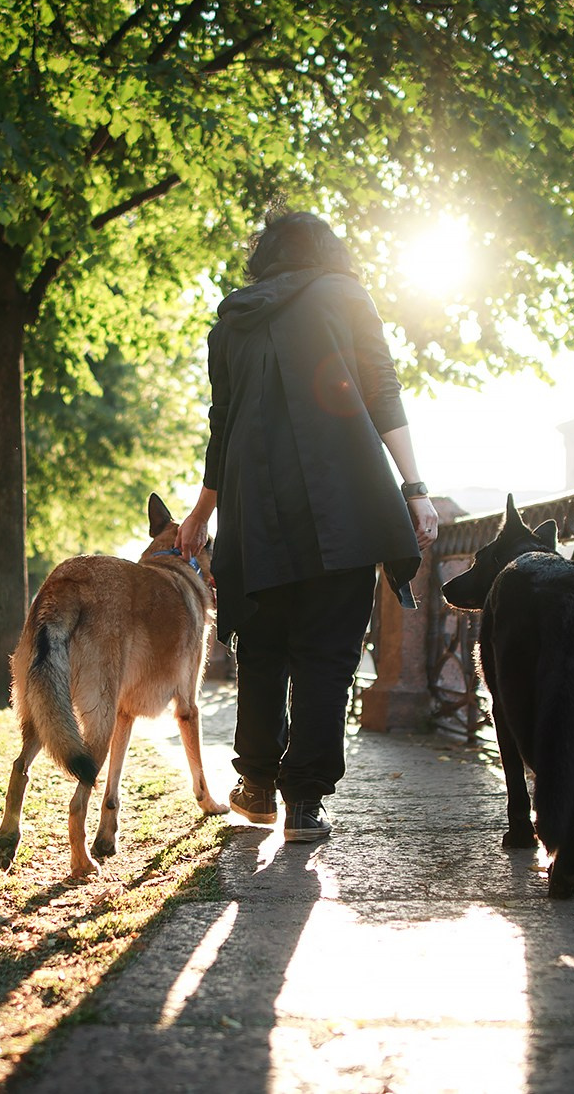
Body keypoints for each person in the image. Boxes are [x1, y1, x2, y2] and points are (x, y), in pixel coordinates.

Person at [177, 211, 439, 842]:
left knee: (262, 649)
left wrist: (203, 511)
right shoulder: (345, 295)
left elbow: (224, 423)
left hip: (254, 508)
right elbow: (382, 390)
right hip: (341, 499)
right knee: (327, 655)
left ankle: (259, 786)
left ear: (264, 257)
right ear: (326, 249)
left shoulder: (233, 319)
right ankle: (305, 805)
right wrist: (413, 487)